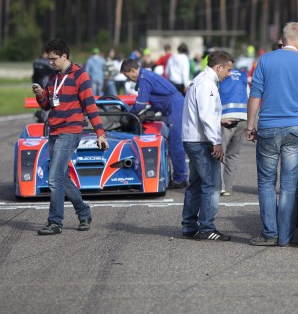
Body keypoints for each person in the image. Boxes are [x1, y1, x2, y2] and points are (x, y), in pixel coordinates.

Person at [246, 22, 298, 247]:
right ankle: (286, 236)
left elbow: (255, 95)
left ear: (282, 39)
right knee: (289, 184)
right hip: (296, 128)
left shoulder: (265, 60)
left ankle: (269, 233)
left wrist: (250, 126)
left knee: (266, 181)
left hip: (268, 127)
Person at [31, 38, 108, 235]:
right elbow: (47, 105)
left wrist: (100, 133)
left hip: (70, 131)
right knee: (61, 177)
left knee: (54, 178)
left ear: (64, 56)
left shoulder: (81, 76)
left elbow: (90, 106)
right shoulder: (53, 76)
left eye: (53, 59)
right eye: (49, 59)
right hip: (54, 130)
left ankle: (55, 222)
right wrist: (40, 94)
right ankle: (84, 212)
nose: (51, 62)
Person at [181, 51, 235, 241]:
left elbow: (203, 113)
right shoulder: (207, 84)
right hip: (201, 140)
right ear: (218, 67)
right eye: (228, 69)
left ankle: (189, 226)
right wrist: (216, 142)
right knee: (212, 185)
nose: (229, 73)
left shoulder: (199, 80)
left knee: (195, 184)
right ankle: (206, 227)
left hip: (193, 138)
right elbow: (206, 115)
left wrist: (220, 120)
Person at [120, 58, 189, 188]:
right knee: (174, 143)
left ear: (133, 70)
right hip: (174, 105)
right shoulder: (146, 76)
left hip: (175, 106)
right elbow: (159, 98)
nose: (128, 79)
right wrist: (147, 114)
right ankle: (181, 176)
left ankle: (181, 179)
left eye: (127, 75)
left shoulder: (143, 79)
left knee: (176, 144)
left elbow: (140, 103)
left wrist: (128, 116)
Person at [219, 66, 250, 196]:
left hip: (225, 118)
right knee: (233, 154)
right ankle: (228, 187)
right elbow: (248, 96)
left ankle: (219, 186)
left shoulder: (220, 75)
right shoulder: (243, 75)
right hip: (243, 117)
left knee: (219, 153)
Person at [32, 48, 54, 123]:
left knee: (42, 101)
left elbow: (34, 75)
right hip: (45, 84)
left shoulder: (36, 61)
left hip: (37, 83)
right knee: (48, 102)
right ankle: (45, 118)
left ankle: (41, 116)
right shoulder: (47, 63)